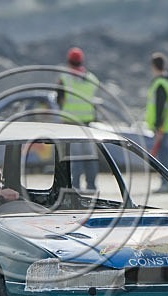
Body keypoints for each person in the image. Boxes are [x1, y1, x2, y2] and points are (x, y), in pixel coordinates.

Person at [57, 47, 100, 190]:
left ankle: (75, 186)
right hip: (87, 122)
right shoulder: (92, 79)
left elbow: (60, 100)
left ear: (69, 62)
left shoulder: (64, 79)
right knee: (89, 155)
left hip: (71, 123)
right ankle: (92, 185)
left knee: (75, 157)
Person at [146, 52, 168, 193]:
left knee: (164, 156)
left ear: (154, 66)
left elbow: (160, 108)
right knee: (166, 154)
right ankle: (167, 183)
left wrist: (159, 127)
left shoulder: (160, 84)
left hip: (163, 126)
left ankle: (166, 184)